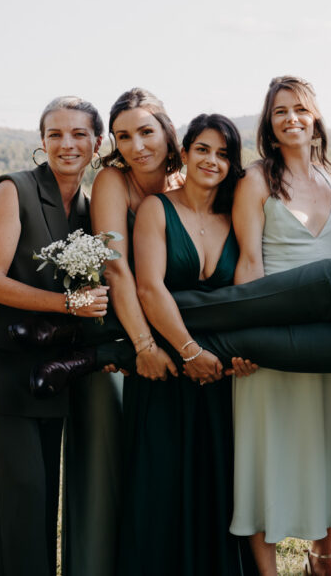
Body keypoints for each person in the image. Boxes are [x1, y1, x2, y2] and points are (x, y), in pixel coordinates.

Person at [0, 96, 108, 576]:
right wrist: (68, 305)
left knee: (40, 512)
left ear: (97, 143)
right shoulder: (11, 191)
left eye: (78, 134)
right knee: (16, 509)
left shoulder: (88, 207)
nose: (67, 143)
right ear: (41, 143)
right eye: (55, 134)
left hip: (49, 379)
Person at [229, 76, 331, 576]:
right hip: (271, 331)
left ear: (315, 118)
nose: (291, 119)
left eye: (300, 110)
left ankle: (320, 557)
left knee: (323, 443)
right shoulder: (256, 179)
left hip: (327, 338)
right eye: (281, 111)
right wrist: (251, 338)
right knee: (268, 448)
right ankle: (267, 571)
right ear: (269, 121)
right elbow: (247, 264)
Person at [117, 113, 255, 576]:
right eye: (203, 149)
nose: (211, 160)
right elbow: (149, 288)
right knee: (161, 485)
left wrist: (238, 351)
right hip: (167, 370)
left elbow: (246, 290)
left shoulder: (234, 214)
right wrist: (190, 352)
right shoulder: (157, 208)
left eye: (223, 153)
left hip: (220, 376)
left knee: (218, 484)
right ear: (186, 152)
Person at [60, 87, 185, 576]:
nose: (137, 146)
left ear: (167, 132)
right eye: (124, 136)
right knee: (123, 462)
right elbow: (114, 268)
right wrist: (144, 346)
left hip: (182, 326)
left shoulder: (188, 175)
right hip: (128, 334)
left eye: (146, 132)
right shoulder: (114, 181)